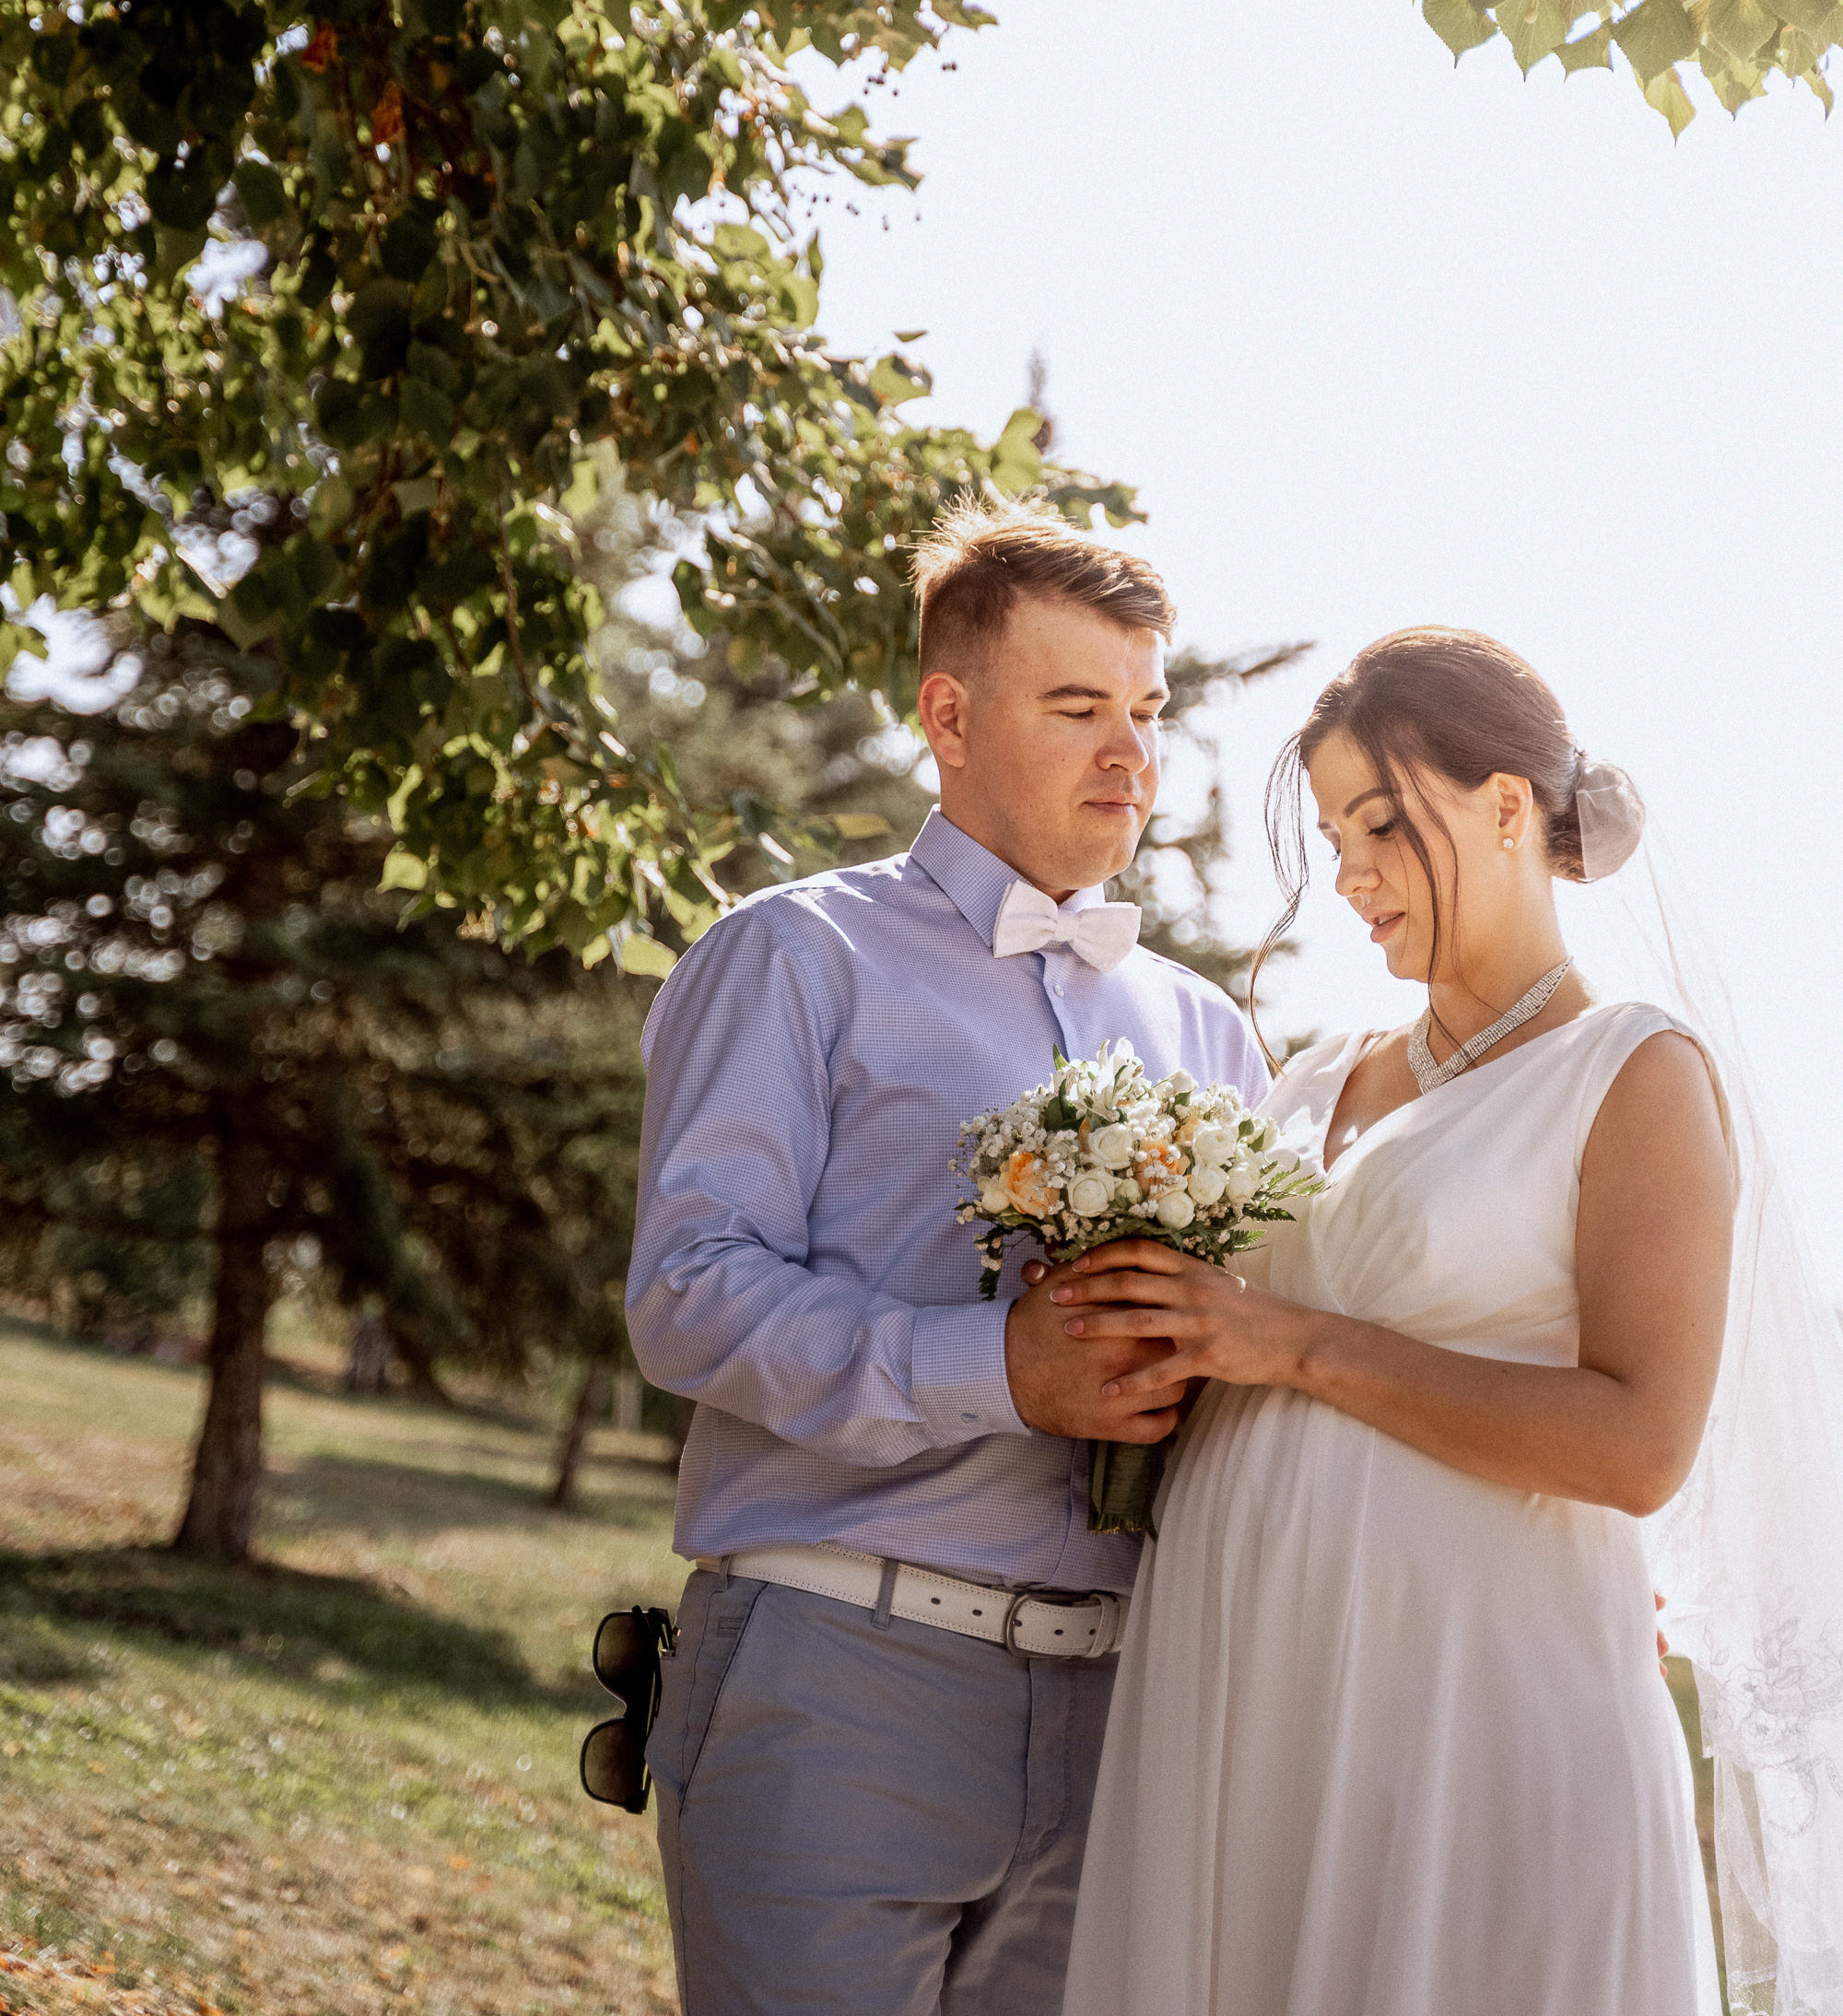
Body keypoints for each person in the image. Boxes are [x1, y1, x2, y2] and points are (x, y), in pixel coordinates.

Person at [624, 502, 1269, 2016]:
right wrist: (1002, 1367)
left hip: (1123, 1718)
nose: (1132, 755)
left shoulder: (1210, 1033)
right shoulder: (793, 957)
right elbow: (689, 1294)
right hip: (839, 1677)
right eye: (1077, 709)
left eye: (1146, 712)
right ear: (949, 715)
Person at [1053, 627, 1737, 2016]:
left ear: (1503, 808)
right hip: (1256, 1701)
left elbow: (1641, 1446)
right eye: (1330, 832)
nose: (1349, 874)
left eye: (1380, 823)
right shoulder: (1305, 1081)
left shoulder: (1633, 1075)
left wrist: (1286, 1345)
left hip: (1470, 1725)